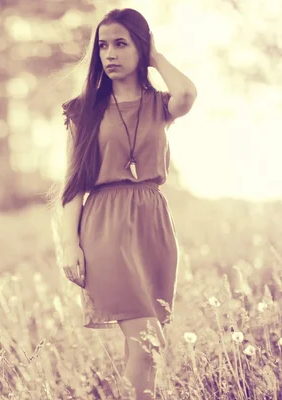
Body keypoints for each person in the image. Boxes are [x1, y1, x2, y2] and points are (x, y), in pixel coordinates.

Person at [57, 7, 197, 400]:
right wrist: (70, 244)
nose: (110, 54)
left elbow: (187, 93)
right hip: (105, 227)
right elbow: (73, 185)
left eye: (121, 43)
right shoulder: (83, 110)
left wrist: (156, 56)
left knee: (142, 347)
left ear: (142, 47)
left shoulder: (160, 105)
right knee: (148, 342)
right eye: (103, 45)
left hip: (153, 226)